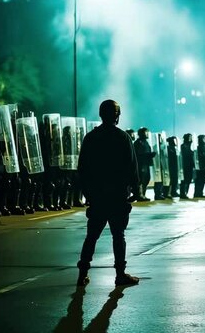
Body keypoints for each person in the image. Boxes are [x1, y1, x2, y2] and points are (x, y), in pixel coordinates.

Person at [76, 99, 139, 287]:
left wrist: (87, 193)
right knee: (118, 236)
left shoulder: (90, 138)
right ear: (117, 116)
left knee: (91, 237)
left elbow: (82, 168)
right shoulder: (123, 138)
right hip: (117, 196)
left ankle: (82, 274)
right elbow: (132, 167)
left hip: (97, 196)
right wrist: (135, 189)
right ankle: (120, 274)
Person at [133, 127, 155, 201]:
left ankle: (143, 194)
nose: (147, 134)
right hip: (141, 164)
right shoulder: (138, 143)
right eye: (146, 132)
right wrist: (149, 155)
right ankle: (140, 195)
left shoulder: (145, 142)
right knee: (141, 180)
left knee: (146, 179)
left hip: (146, 164)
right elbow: (139, 155)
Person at [180, 134, 195, 199]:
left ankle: (185, 193)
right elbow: (186, 154)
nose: (191, 139)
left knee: (188, 180)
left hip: (190, 165)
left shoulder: (190, 146)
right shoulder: (183, 146)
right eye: (189, 137)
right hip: (185, 165)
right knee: (185, 180)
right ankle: (183, 193)